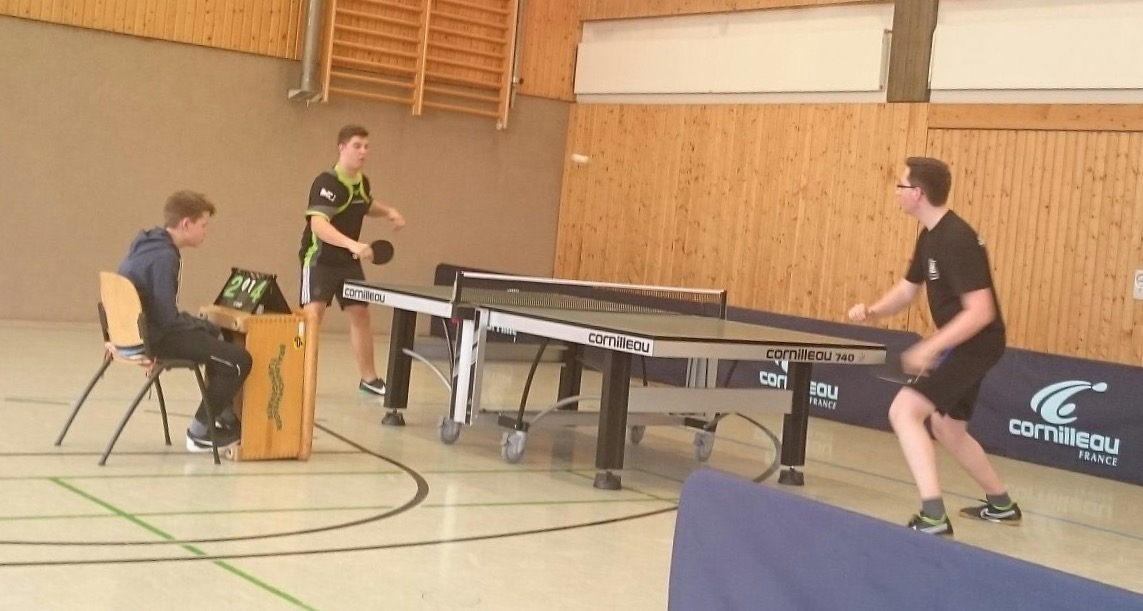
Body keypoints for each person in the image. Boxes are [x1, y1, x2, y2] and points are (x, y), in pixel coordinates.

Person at [847, 157, 1021, 536]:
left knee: (905, 411)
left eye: (900, 185)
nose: (896, 192)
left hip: (975, 343)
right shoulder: (930, 236)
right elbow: (907, 289)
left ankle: (933, 516)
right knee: (948, 429)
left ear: (917, 193)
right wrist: (874, 311)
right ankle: (1002, 504)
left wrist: (931, 346)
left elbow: (981, 311)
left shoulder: (956, 239)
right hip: (969, 343)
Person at [118, 190, 251, 451]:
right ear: (186, 224)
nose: (206, 232)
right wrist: (202, 325)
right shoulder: (165, 257)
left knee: (213, 336)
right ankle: (200, 433)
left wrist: (203, 327)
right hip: (153, 337)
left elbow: (161, 310)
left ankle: (222, 415)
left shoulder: (146, 243)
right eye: (203, 225)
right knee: (239, 360)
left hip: (132, 333)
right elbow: (168, 319)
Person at [299, 125, 405, 397]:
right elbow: (318, 225)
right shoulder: (327, 183)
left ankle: (369, 380)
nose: (363, 152)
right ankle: (298, 376)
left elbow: (365, 204)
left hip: (347, 261)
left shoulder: (361, 182)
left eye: (366, 147)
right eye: (357, 146)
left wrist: (389, 211)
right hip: (320, 259)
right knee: (312, 317)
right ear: (342, 148)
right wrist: (353, 244)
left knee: (360, 314)